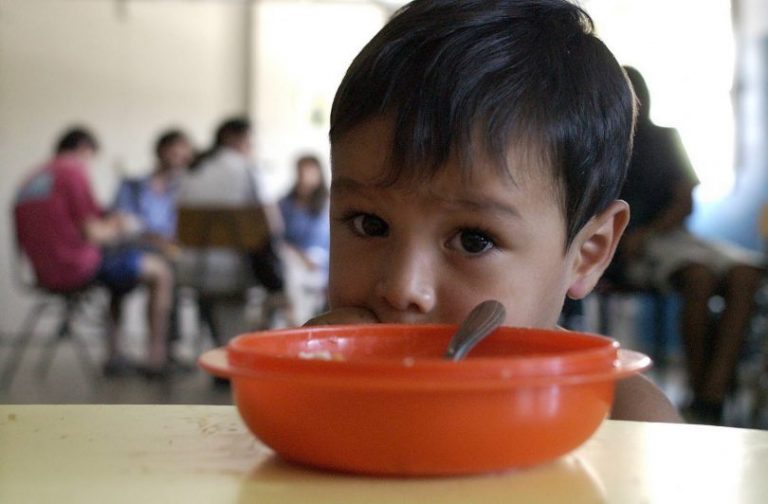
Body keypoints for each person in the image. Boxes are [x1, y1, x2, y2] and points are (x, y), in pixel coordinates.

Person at [305, 0, 681, 423]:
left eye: (473, 239)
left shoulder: (621, 420)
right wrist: (306, 397)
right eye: (369, 224)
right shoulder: (310, 388)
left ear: (587, 252)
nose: (402, 288)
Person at [616, 66, 764, 424]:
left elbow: (685, 201)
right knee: (698, 278)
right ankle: (706, 396)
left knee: (747, 273)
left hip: (668, 237)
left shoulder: (666, 138)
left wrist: (652, 232)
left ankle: (711, 390)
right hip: (628, 244)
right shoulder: (604, 141)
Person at [14, 127, 174, 377]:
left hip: (42, 271)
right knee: (159, 270)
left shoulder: (34, 177)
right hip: (75, 266)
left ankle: (115, 354)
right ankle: (156, 358)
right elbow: (95, 234)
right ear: (83, 149)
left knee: (119, 273)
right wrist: (124, 225)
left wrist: (107, 219)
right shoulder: (71, 172)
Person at [178, 117, 288, 337]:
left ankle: (217, 347)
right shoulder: (247, 168)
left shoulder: (193, 169)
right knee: (286, 269)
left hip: (193, 268)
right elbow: (273, 224)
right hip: (235, 271)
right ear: (234, 139)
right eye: (249, 142)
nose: (251, 148)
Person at [113, 129, 194, 258]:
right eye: (175, 150)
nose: (180, 155)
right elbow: (120, 224)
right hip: (136, 254)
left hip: (173, 255)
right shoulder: (132, 186)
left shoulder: (185, 191)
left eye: (185, 151)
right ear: (160, 150)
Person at [279, 154, 330, 324]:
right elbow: (279, 238)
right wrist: (302, 256)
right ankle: (297, 319)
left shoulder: (328, 203)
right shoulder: (285, 204)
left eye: (309, 171)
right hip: (293, 257)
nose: (304, 176)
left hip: (322, 259)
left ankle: (298, 318)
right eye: (300, 171)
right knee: (291, 268)